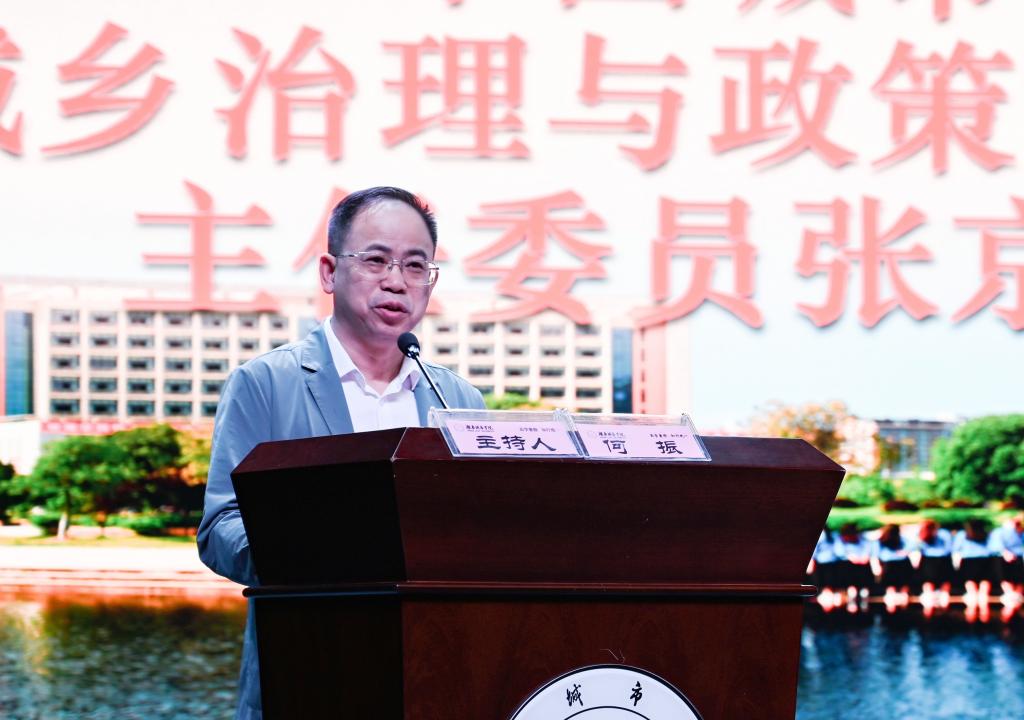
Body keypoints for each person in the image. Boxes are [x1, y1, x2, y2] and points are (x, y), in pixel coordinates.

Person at [197, 187, 486, 720]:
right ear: (329, 273)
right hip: (307, 670)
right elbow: (220, 529)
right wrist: (311, 555)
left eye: (415, 266)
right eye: (376, 260)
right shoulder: (266, 384)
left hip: (433, 678)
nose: (396, 281)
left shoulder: (457, 400)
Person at [952, 519, 998, 608]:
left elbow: (956, 548)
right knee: (985, 579)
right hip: (985, 558)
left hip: (968, 559)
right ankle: (983, 595)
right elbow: (992, 547)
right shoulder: (986, 534)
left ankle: (972, 594)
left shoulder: (962, 534)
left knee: (970, 579)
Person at [910, 519, 954, 611]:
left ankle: (929, 598)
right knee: (945, 580)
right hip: (944, 559)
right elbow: (950, 548)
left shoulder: (921, 533)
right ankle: (944, 597)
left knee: (928, 580)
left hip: (928, 559)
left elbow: (916, 547)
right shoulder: (944, 533)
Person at [870, 523, 912, 610]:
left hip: (902, 563)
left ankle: (903, 595)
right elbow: (875, 554)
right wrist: (876, 566)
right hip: (888, 564)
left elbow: (909, 547)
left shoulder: (902, 539)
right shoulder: (880, 541)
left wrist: (905, 552)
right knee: (890, 582)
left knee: (904, 581)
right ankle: (891, 594)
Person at [991, 513, 1024, 606]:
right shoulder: (999, 531)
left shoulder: (1020, 532)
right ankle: (1010, 593)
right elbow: (996, 543)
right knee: (1005, 576)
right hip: (1004, 557)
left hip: (1018, 556)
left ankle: (1017, 594)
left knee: (1019, 577)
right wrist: (1004, 552)